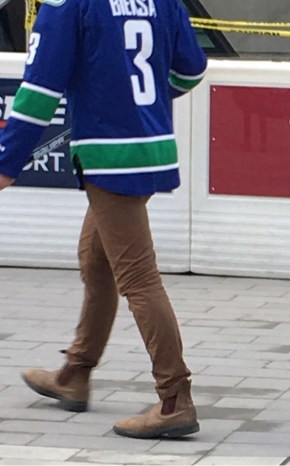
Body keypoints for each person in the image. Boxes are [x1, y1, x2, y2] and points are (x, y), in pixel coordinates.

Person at [0, 0, 207, 438]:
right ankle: (75, 373)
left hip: (108, 156)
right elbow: (191, 69)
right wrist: (137, 104)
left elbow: (38, 93)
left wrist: (7, 162)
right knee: (96, 260)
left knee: (138, 279)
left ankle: (175, 399)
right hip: (151, 148)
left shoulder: (65, 4)